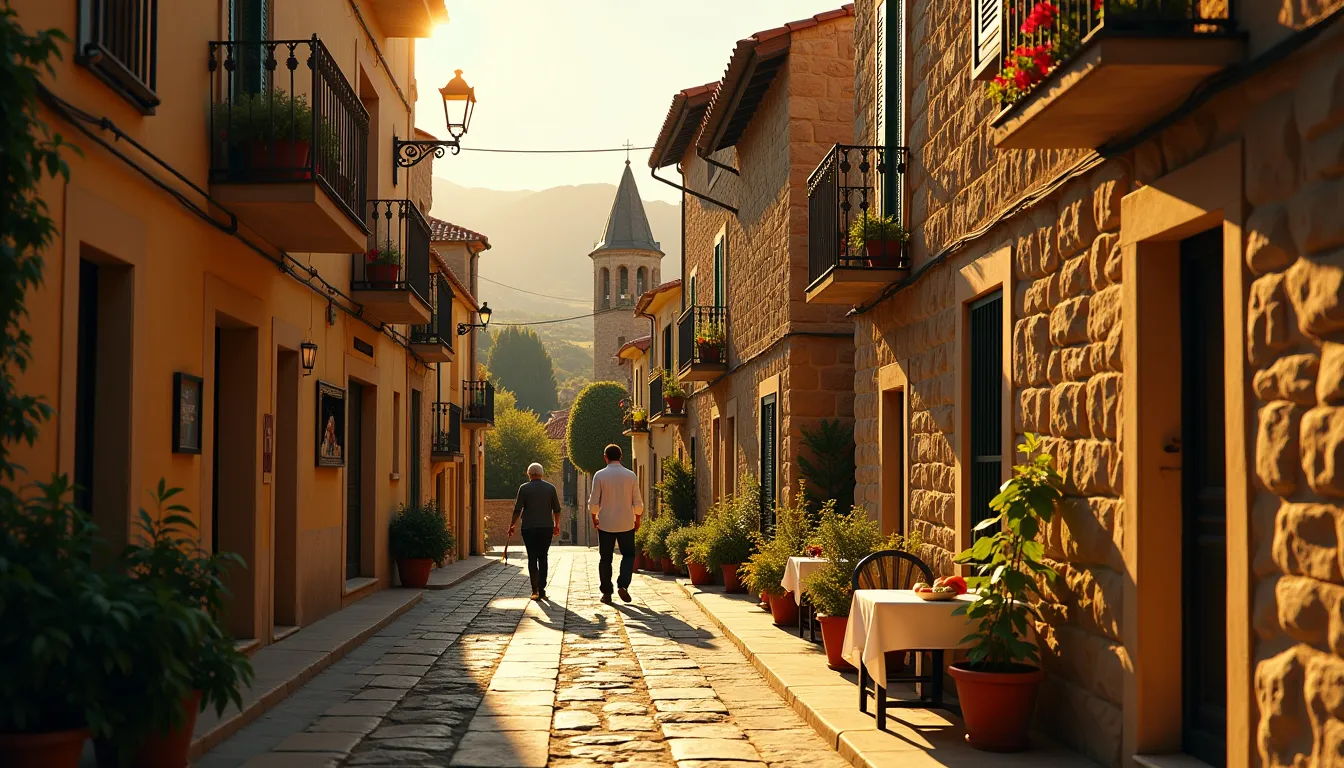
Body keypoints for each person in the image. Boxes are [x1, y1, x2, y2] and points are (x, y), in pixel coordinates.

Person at [587, 444, 643, 604]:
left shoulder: (599, 475)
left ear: (605, 457)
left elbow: (594, 501)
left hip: (605, 523)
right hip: (626, 522)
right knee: (628, 555)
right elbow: (637, 501)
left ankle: (606, 593)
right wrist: (637, 518)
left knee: (605, 559)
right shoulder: (631, 475)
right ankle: (623, 585)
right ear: (621, 456)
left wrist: (594, 518)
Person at [510, 462, 561, 601]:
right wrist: (557, 525)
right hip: (546, 527)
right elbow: (557, 509)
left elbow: (517, 509)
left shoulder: (524, 488)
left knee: (532, 557)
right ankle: (542, 588)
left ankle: (534, 590)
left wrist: (512, 525)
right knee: (543, 557)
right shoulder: (550, 488)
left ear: (529, 474)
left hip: (529, 528)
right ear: (542, 473)